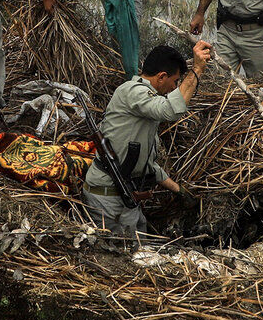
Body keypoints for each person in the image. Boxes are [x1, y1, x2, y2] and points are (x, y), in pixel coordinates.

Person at [82, 41, 211, 234]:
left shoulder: (145, 105)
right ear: (161, 77)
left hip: (125, 200)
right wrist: (197, 70)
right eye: (175, 81)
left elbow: (147, 165)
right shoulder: (133, 91)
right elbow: (170, 110)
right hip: (108, 201)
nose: (174, 88)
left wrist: (178, 190)